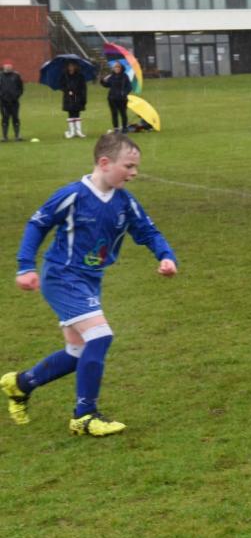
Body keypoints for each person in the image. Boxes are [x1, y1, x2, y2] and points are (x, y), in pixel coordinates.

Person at [2, 132, 178, 437]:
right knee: (100, 335)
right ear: (105, 162)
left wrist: (165, 256)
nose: (135, 173)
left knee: (77, 351)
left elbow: (148, 231)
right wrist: (25, 266)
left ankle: (20, 384)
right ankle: (84, 415)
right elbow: (38, 224)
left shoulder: (124, 202)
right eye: (129, 166)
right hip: (61, 276)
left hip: (89, 280)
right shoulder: (73, 195)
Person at [100, 60, 133, 133]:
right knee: (114, 114)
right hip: (112, 98)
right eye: (115, 67)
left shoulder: (125, 76)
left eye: (118, 67)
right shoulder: (111, 76)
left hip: (122, 99)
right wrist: (102, 81)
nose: (116, 68)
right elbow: (107, 85)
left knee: (123, 113)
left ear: (121, 68)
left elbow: (129, 87)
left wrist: (124, 93)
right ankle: (116, 128)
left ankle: (124, 128)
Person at [61, 60, 88, 139]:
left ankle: (79, 131)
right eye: (69, 66)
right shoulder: (64, 76)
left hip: (78, 97)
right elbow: (62, 86)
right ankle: (71, 131)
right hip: (68, 97)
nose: (71, 67)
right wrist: (67, 91)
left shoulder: (80, 76)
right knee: (70, 113)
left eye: (72, 66)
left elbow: (83, 87)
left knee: (77, 113)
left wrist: (81, 96)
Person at [0, 61, 23, 142]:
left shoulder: (16, 76)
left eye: (9, 66)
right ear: (4, 67)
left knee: (15, 117)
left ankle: (17, 135)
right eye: (6, 66)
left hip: (14, 101)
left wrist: (17, 95)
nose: (8, 68)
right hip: (3, 102)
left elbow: (21, 88)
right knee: (5, 118)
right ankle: (4, 136)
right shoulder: (0, 76)